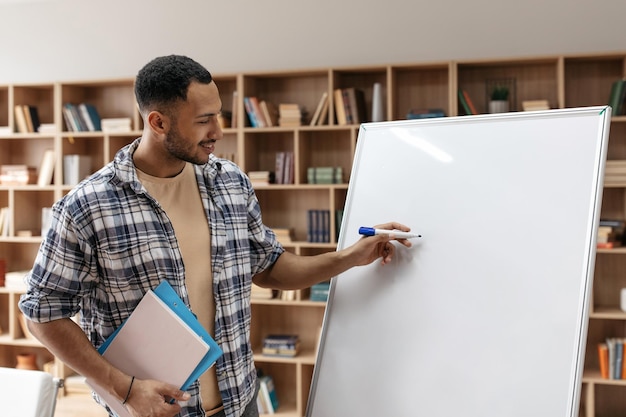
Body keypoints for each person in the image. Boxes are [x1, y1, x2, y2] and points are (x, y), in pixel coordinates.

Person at [18, 55, 412, 417]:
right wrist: (125, 389)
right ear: (158, 122)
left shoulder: (231, 183)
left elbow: (271, 269)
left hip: (240, 402)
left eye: (218, 116)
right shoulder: (86, 207)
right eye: (204, 120)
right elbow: (42, 314)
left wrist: (350, 257)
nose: (218, 131)